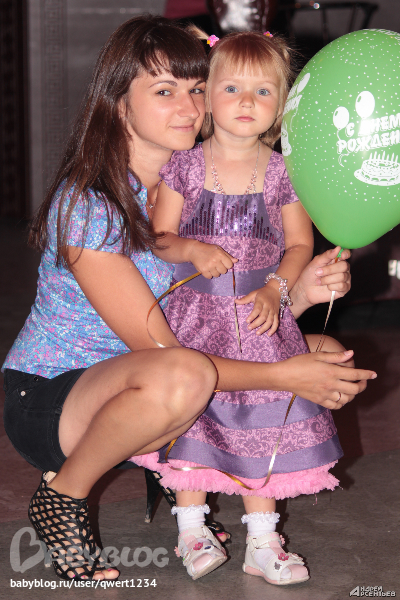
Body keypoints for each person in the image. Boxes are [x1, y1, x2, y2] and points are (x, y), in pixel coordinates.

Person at [2, 16, 375, 583]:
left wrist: (296, 292)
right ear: (118, 104)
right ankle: (64, 494)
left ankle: (207, 478)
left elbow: (222, 317)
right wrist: (285, 376)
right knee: (193, 375)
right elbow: (165, 349)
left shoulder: (198, 184)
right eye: (164, 91)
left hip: (158, 376)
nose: (189, 106)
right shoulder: (90, 205)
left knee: (319, 350)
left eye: (198, 88)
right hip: (58, 394)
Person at [131, 30, 357, 585]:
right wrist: (192, 250)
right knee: (196, 418)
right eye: (232, 88)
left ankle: (262, 540)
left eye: (263, 91)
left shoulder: (283, 172)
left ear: (281, 106)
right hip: (195, 316)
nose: (247, 102)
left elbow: (299, 245)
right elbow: (159, 237)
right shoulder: (185, 167)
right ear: (207, 97)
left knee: (265, 415)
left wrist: (277, 288)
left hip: (260, 316)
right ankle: (191, 529)